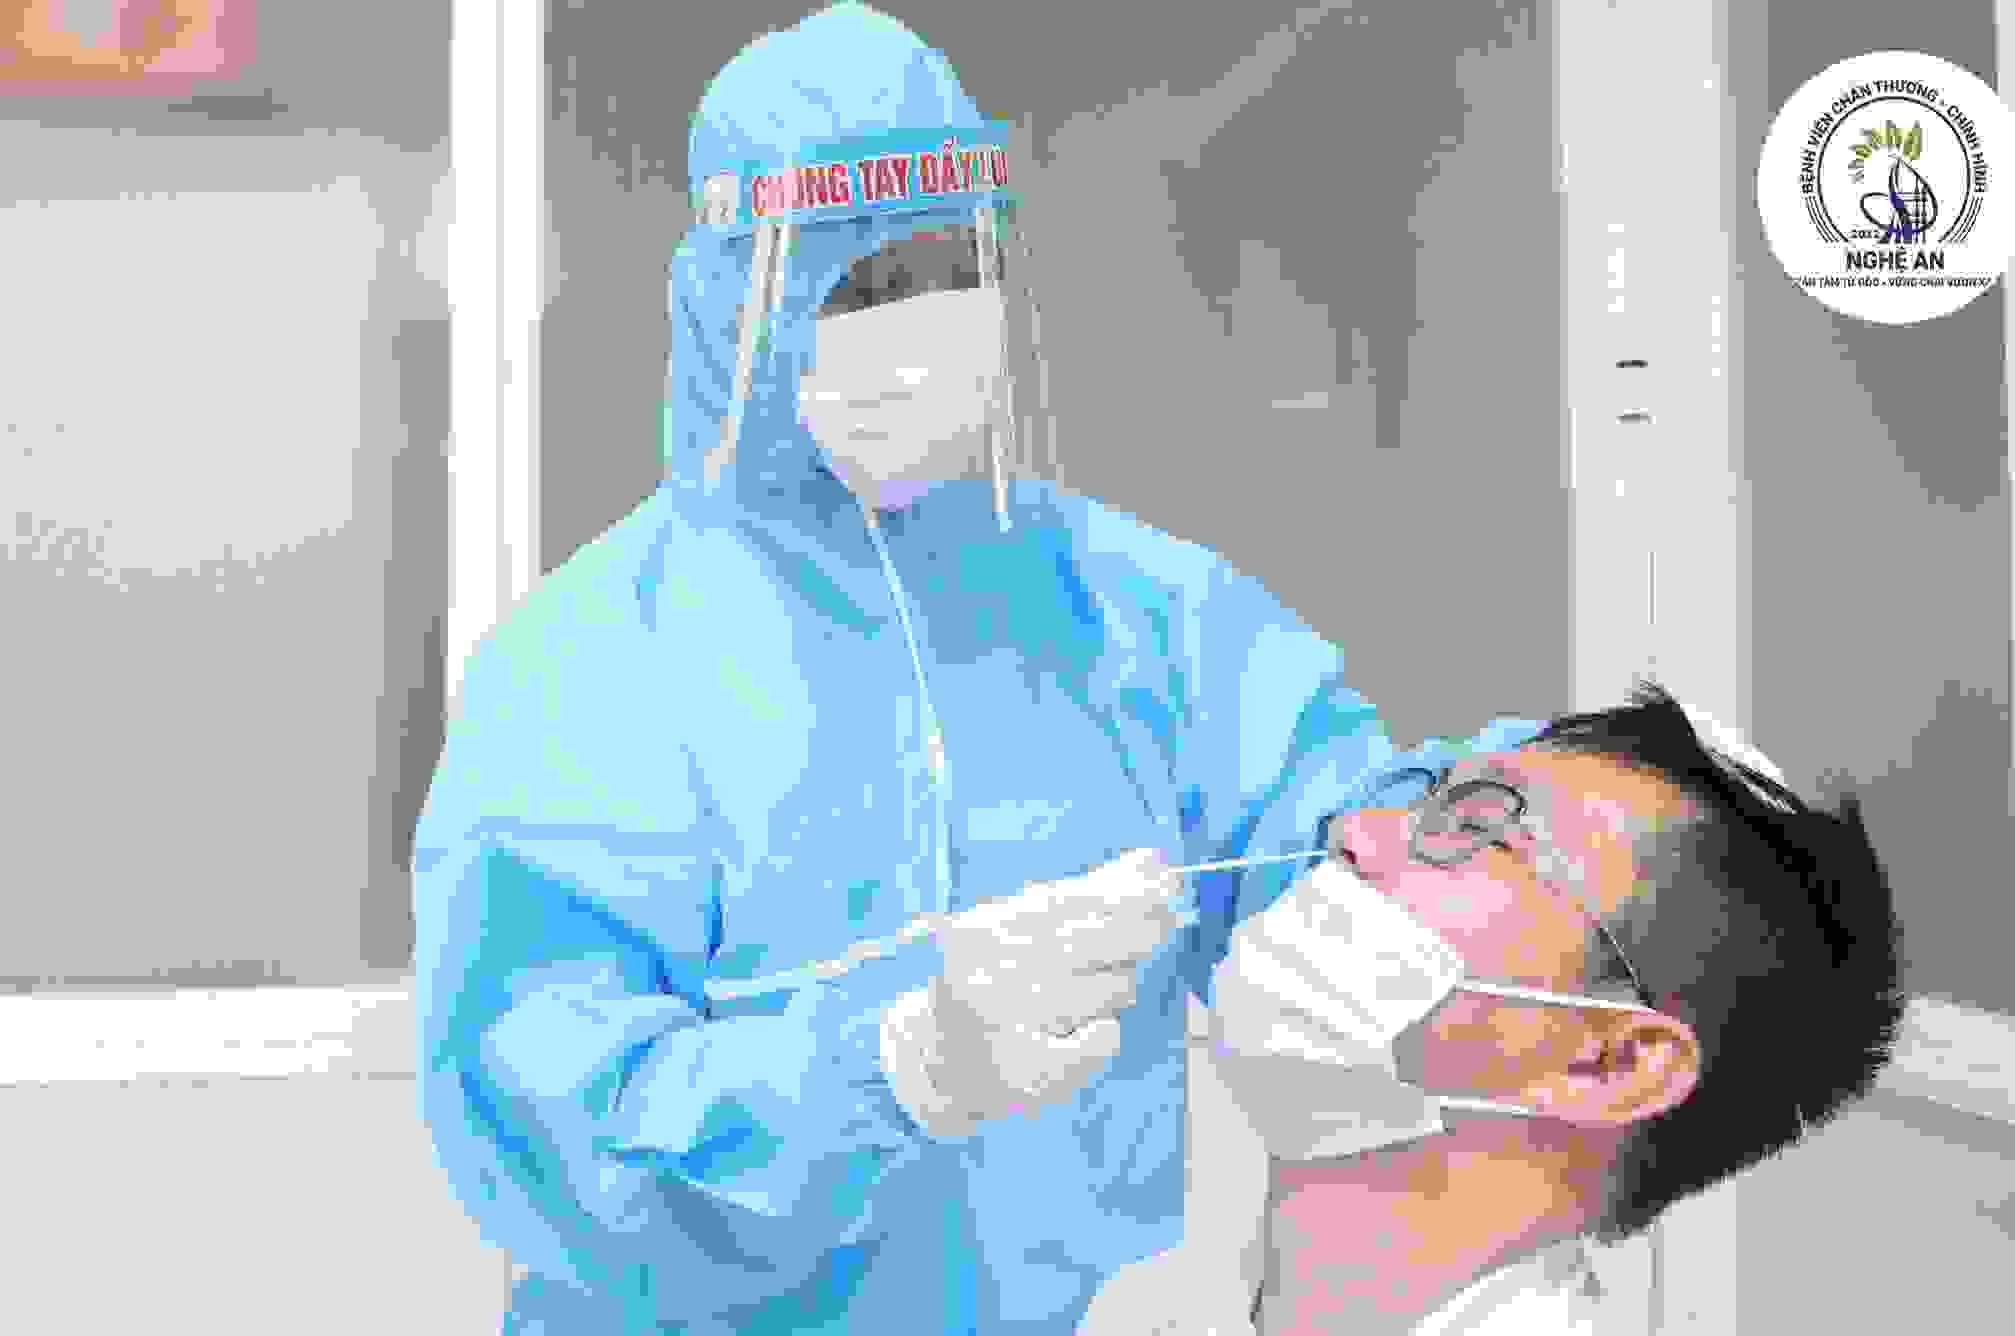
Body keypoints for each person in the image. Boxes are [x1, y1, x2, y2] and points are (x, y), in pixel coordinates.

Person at [411, 4, 1547, 1332]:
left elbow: (1331, 830)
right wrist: (894, 1071)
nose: (913, 332)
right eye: (856, 286)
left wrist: (1543, 809)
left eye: (952, 269)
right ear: (738, 304)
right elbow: (545, 1108)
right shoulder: (593, 666)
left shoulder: (1130, 610)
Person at [1078, 682, 1907, 1334]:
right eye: (1426, 798)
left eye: (1477, 830)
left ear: (1609, 1062)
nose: (1354, 827)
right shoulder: (1162, 1293)